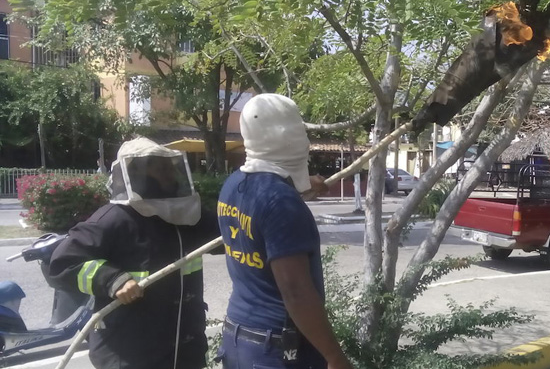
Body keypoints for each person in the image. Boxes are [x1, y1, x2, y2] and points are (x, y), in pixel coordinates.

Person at [48, 137, 220, 369]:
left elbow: (227, 238)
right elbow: (63, 264)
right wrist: (113, 280)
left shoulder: (185, 215)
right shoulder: (113, 219)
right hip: (130, 354)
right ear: (135, 173)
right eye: (159, 168)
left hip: (183, 352)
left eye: (169, 166)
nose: (169, 173)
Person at [216, 93, 352, 369]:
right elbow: (295, 291)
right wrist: (334, 356)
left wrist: (300, 187)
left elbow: (264, 215)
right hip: (277, 350)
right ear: (288, 136)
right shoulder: (281, 202)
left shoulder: (233, 185)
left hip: (238, 339)